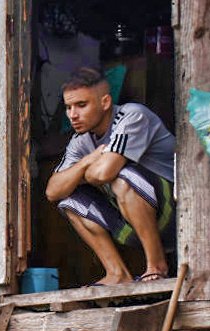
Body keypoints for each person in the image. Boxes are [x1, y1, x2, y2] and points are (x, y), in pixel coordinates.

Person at [45, 67, 176, 285]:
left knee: (122, 178)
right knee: (69, 201)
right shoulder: (80, 141)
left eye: (81, 105)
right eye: (68, 107)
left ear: (105, 102)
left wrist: (81, 173)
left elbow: (103, 173)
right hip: (132, 226)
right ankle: (118, 273)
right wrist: (89, 160)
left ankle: (156, 265)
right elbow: (52, 191)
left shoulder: (133, 116)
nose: (73, 115)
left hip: (175, 214)